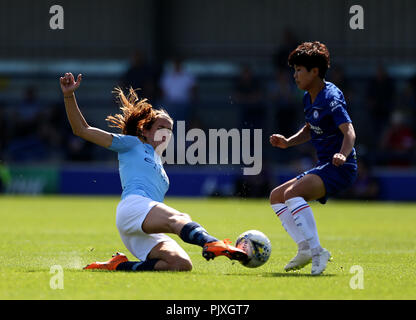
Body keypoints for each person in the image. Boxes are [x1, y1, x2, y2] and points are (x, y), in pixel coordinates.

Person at [60, 72, 247, 272]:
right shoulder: (132, 143)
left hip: (143, 226)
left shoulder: (160, 164)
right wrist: (69, 95)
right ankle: (212, 242)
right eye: (161, 128)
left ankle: (119, 266)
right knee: (180, 218)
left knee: (180, 264)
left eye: (170, 130)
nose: (166, 133)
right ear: (146, 131)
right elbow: (82, 129)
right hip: (134, 208)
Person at [269, 42, 357, 275]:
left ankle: (318, 251)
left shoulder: (330, 96)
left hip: (341, 166)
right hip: (324, 165)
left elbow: (349, 131)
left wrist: (343, 153)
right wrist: (288, 142)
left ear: (315, 71)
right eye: (294, 70)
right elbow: (310, 128)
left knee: (292, 194)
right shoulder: (308, 97)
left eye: (299, 70)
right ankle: (305, 248)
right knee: (276, 196)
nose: (295, 75)